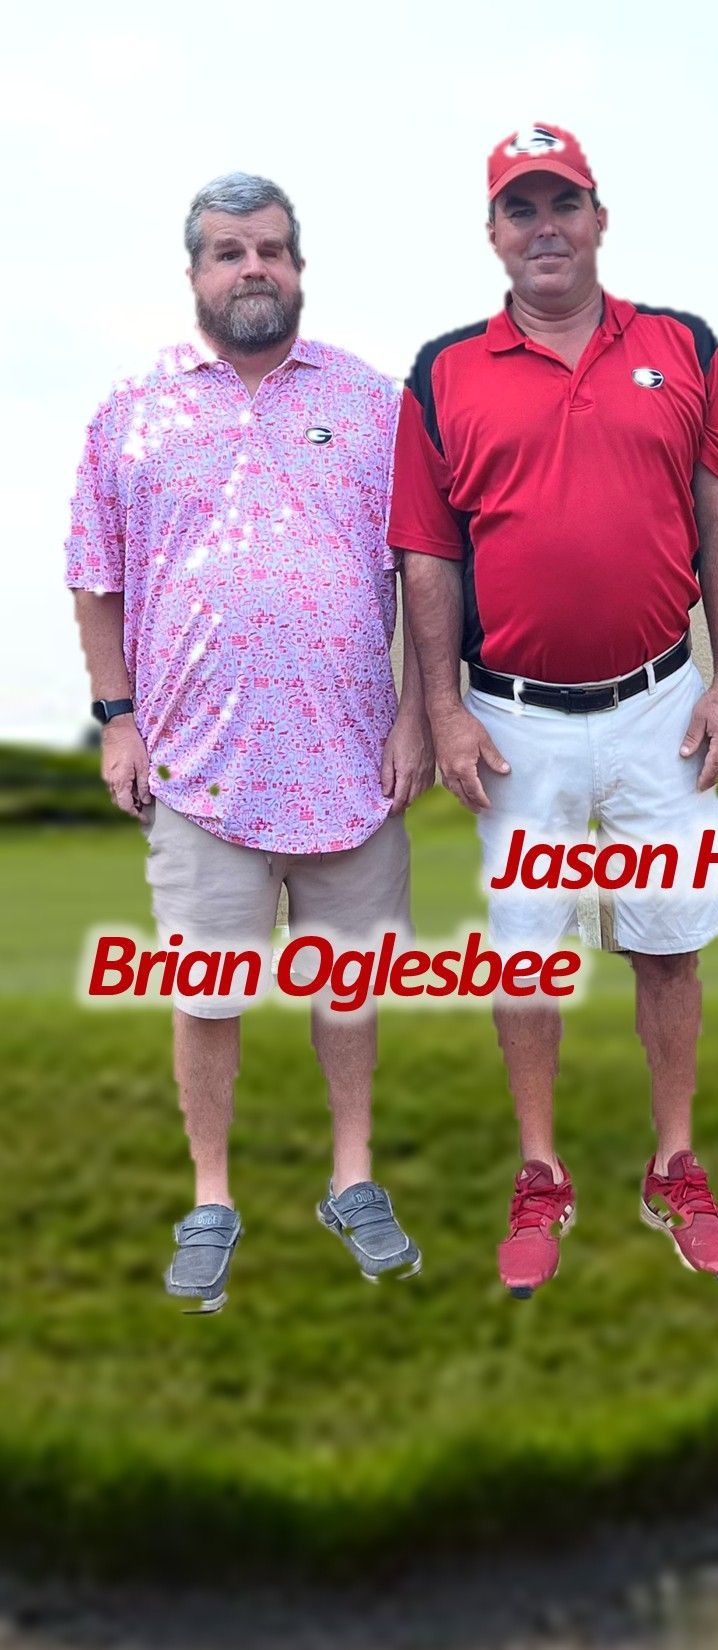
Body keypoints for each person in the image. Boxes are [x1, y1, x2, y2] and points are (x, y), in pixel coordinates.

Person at [390, 125, 718, 1297]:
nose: (543, 227)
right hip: (516, 717)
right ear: (493, 234)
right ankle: (541, 1171)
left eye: (563, 204)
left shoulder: (682, 345)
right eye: (519, 209)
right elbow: (429, 558)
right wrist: (439, 708)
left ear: (601, 217)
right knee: (532, 954)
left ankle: (673, 1163)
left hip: (662, 703)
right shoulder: (444, 371)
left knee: (670, 943)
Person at [66, 173, 431, 1312]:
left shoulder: (375, 405)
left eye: (271, 249)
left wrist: (422, 711)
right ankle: (213, 1197)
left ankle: (352, 1178)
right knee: (208, 996)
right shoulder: (131, 412)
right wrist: (118, 720)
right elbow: (95, 581)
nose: (253, 268)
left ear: (301, 266)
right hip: (197, 769)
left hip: (352, 767)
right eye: (229, 253)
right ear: (195, 275)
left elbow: (427, 575)